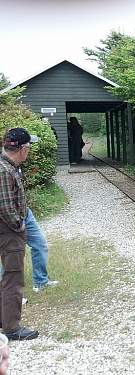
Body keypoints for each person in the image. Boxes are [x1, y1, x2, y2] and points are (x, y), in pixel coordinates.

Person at [0, 127, 39, 341]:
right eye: (29, 146)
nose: (30, 150)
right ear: (22, 149)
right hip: (8, 232)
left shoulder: (8, 165)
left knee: (7, 276)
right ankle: (12, 328)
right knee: (13, 278)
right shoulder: (5, 170)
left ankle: (3, 318)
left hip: (7, 230)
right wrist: (19, 225)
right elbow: (5, 206)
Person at [25, 208, 58, 292]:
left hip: (25, 213)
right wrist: (13, 220)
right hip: (9, 218)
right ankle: (8, 294)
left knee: (40, 245)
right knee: (12, 255)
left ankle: (40, 282)